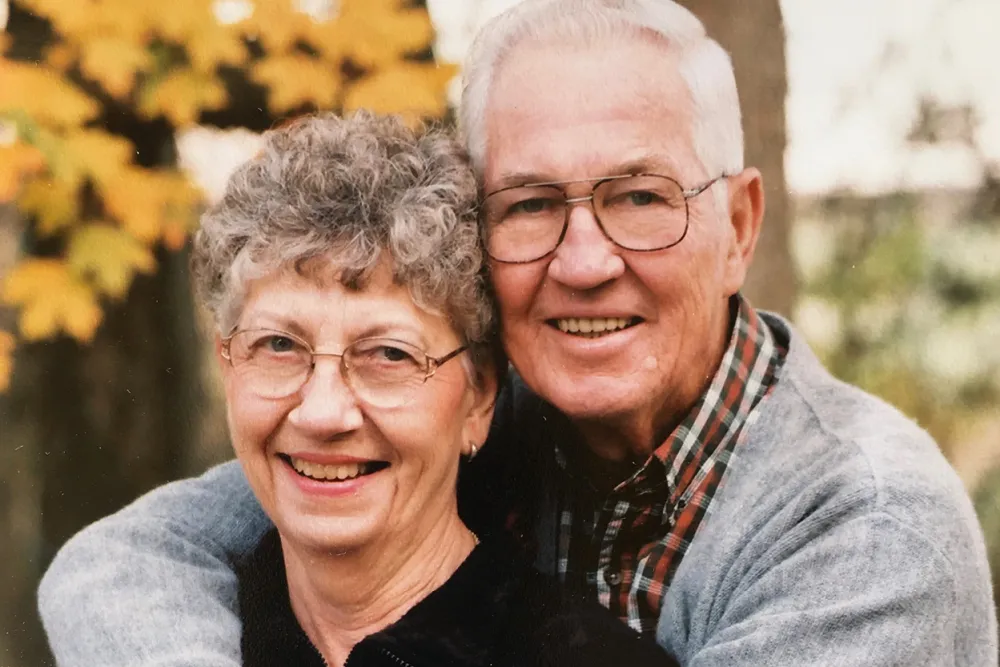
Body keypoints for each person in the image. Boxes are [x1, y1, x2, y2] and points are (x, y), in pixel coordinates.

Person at [39, 1, 997, 666]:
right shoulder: (476, 407)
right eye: (531, 204)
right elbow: (124, 561)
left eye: (637, 196)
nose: (584, 260)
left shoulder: (867, 530)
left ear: (739, 226)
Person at [94, 109, 677, 667]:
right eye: (277, 346)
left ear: (479, 400)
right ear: (227, 367)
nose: (323, 413)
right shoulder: (157, 635)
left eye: (388, 355)